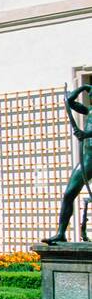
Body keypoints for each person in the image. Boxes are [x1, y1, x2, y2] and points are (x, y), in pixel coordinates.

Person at [45, 84, 92, 243]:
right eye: (90, 95)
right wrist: (83, 87)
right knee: (68, 194)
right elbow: (69, 101)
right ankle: (61, 233)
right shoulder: (89, 111)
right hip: (87, 160)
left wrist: (85, 134)